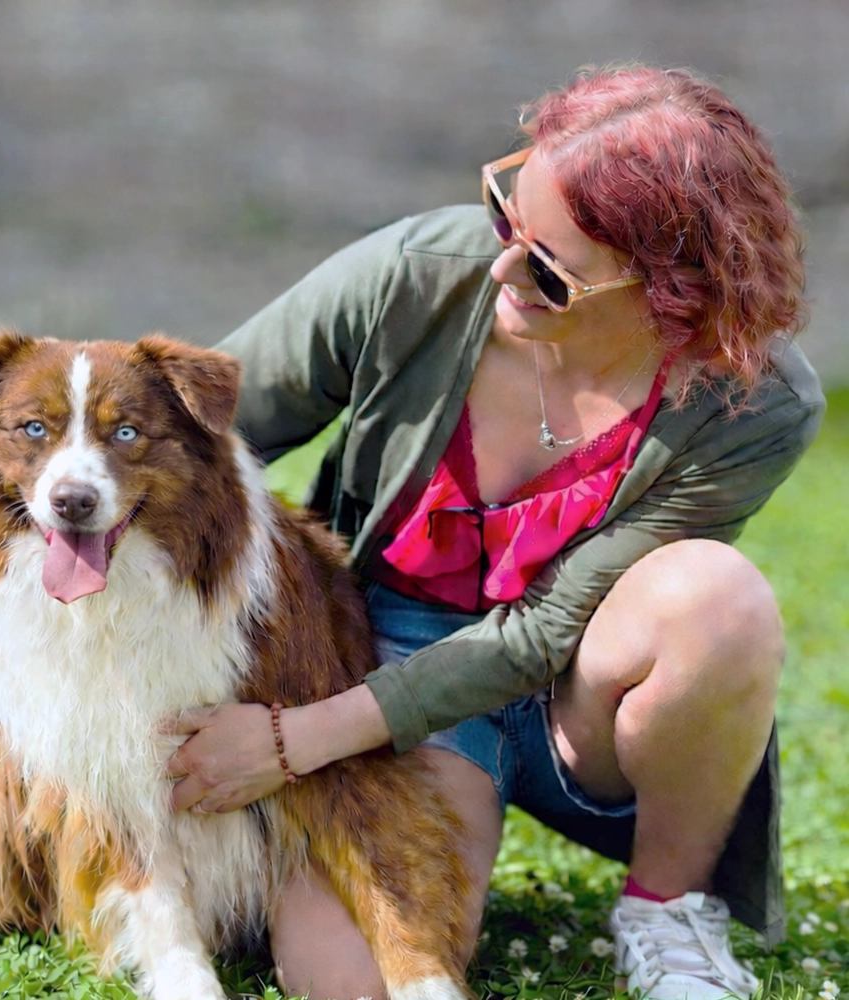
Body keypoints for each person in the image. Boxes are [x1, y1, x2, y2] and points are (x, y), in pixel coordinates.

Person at [167, 64, 825, 1000]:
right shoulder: (410, 279)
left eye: (551, 269)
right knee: (349, 978)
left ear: (671, 295)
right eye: (503, 216)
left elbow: (549, 630)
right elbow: (195, 441)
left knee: (718, 602)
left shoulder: (757, 403)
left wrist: (292, 741)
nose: (503, 271)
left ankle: (666, 910)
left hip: (581, 687)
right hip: (388, 656)